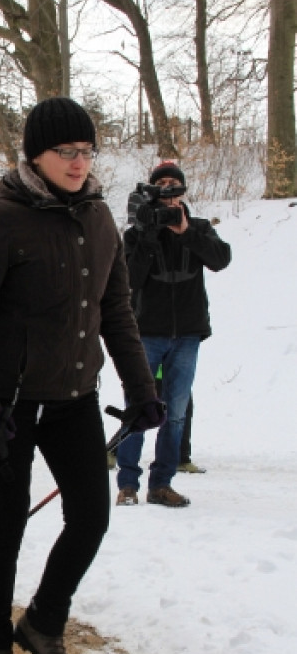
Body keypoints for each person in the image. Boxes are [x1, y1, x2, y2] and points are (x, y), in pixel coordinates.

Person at [0, 96, 163, 654]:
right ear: (36, 156)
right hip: (11, 405)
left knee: (92, 517)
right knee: (6, 528)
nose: (78, 162)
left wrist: (141, 390)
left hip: (74, 397)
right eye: (65, 152)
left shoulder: (98, 219)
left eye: (86, 151)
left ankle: (42, 622)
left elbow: (115, 311)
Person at [115, 161, 231, 507]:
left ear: (182, 191)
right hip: (147, 333)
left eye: (173, 185)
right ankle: (127, 484)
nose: (168, 190)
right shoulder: (136, 234)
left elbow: (221, 259)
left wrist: (186, 232)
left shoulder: (196, 227)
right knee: (138, 406)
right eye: (161, 184)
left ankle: (161, 483)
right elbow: (128, 280)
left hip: (187, 335)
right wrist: (150, 237)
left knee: (175, 411)